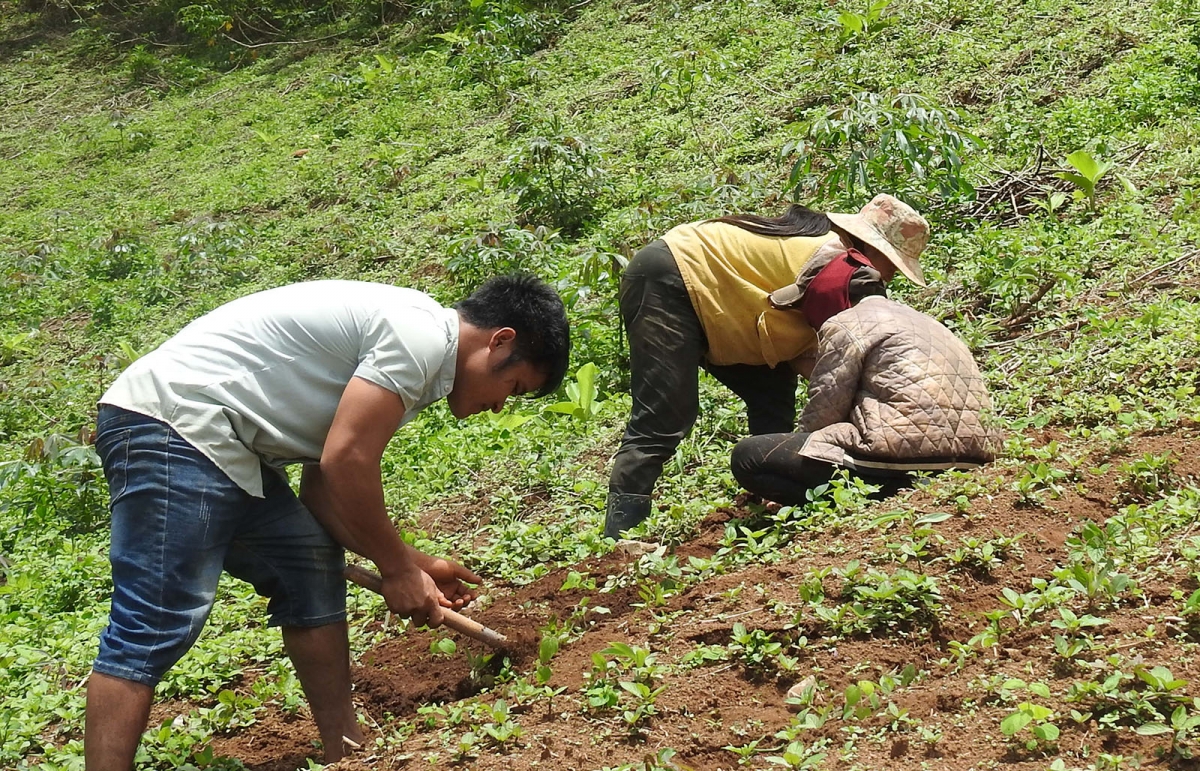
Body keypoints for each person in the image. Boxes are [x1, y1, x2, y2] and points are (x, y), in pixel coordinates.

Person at [85, 275, 570, 771]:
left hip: (225, 447)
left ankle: (348, 752)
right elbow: (347, 460)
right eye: (511, 387)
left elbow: (323, 491)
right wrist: (398, 570)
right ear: (500, 341)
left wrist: (413, 563)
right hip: (175, 426)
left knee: (308, 564)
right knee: (155, 620)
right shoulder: (419, 337)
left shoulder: (416, 350)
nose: (498, 405)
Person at [606, 194, 931, 538]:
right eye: (894, 265)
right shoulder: (847, 270)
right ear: (873, 247)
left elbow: (814, 357)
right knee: (664, 416)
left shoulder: (823, 250)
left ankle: (766, 499)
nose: (891, 276)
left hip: (727, 303)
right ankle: (620, 534)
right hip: (671, 279)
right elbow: (846, 363)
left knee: (774, 399)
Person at [730, 253, 1001, 505]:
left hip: (902, 456)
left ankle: (868, 498)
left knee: (749, 456)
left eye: (806, 304)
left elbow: (823, 416)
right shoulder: (930, 324)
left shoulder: (846, 323)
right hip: (977, 458)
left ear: (827, 296)